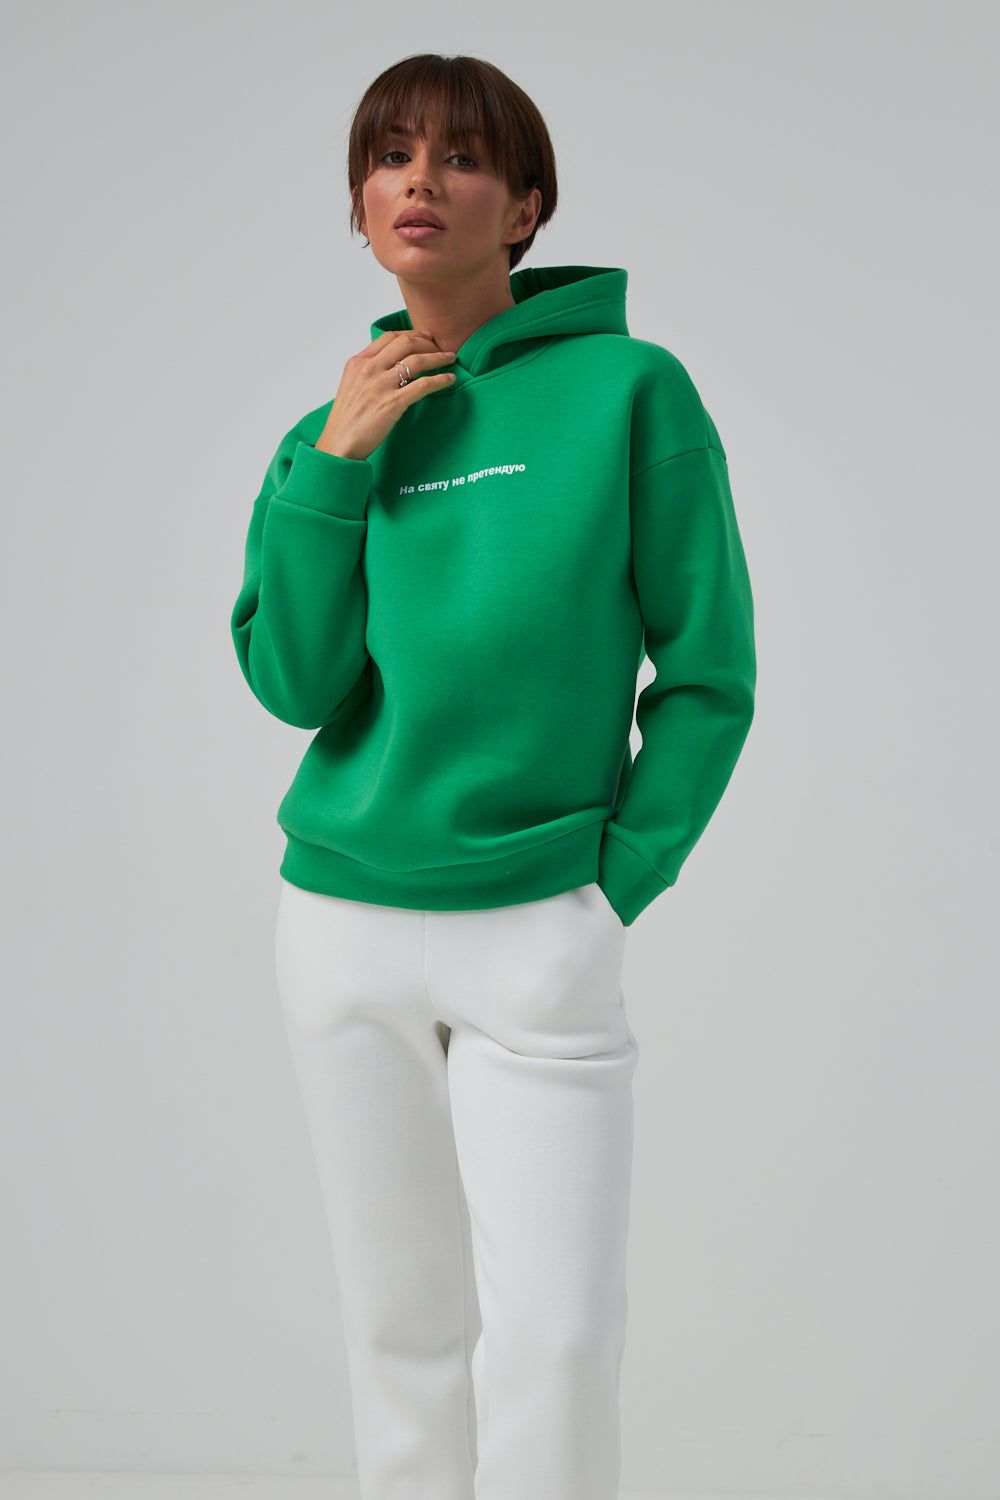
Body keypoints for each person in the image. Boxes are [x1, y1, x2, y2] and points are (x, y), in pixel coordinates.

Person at [230, 51, 756, 1500]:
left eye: (462, 157)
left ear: (525, 207)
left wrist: (615, 882)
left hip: (539, 925)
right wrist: (337, 466)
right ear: (358, 205)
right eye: (390, 155)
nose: (420, 180)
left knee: (559, 1339)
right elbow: (295, 685)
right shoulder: (325, 430)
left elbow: (710, 672)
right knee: (401, 1331)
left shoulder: (631, 393)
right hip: (341, 929)